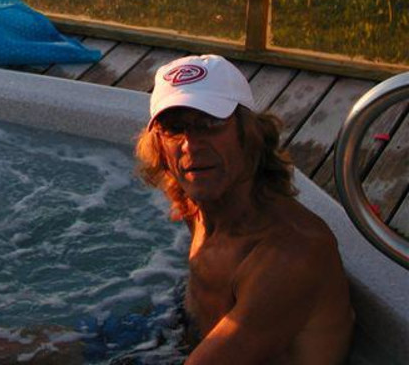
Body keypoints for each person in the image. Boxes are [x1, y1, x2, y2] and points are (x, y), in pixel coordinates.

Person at [136, 54, 354, 365]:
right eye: (174, 127)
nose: (191, 144)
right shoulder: (197, 204)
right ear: (158, 142)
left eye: (210, 123)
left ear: (249, 133)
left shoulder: (290, 255)